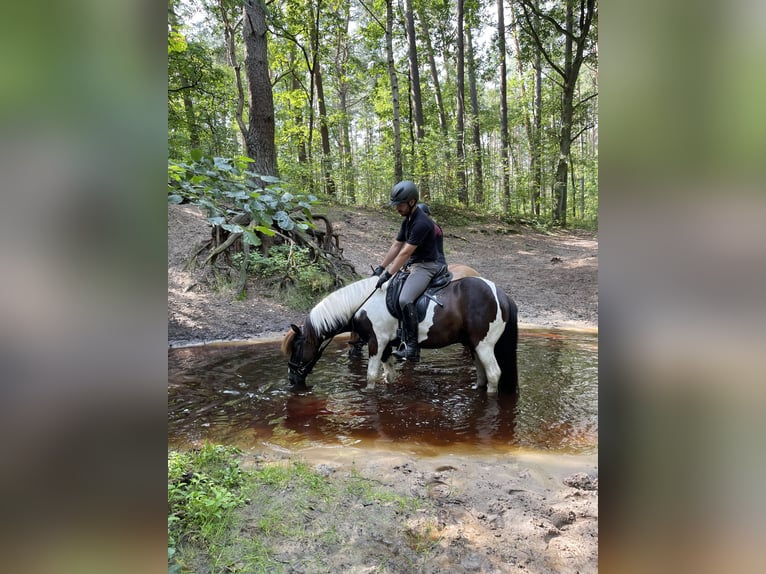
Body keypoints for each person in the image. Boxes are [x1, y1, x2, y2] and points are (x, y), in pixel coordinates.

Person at [372, 181, 440, 362]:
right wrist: (380, 267)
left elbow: (406, 252)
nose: (397, 209)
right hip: (412, 265)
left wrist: (388, 274)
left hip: (425, 266)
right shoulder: (408, 220)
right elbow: (396, 245)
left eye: (400, 205)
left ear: (411, 202)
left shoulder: (422, 223)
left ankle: (412, 347)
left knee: (405, 298)